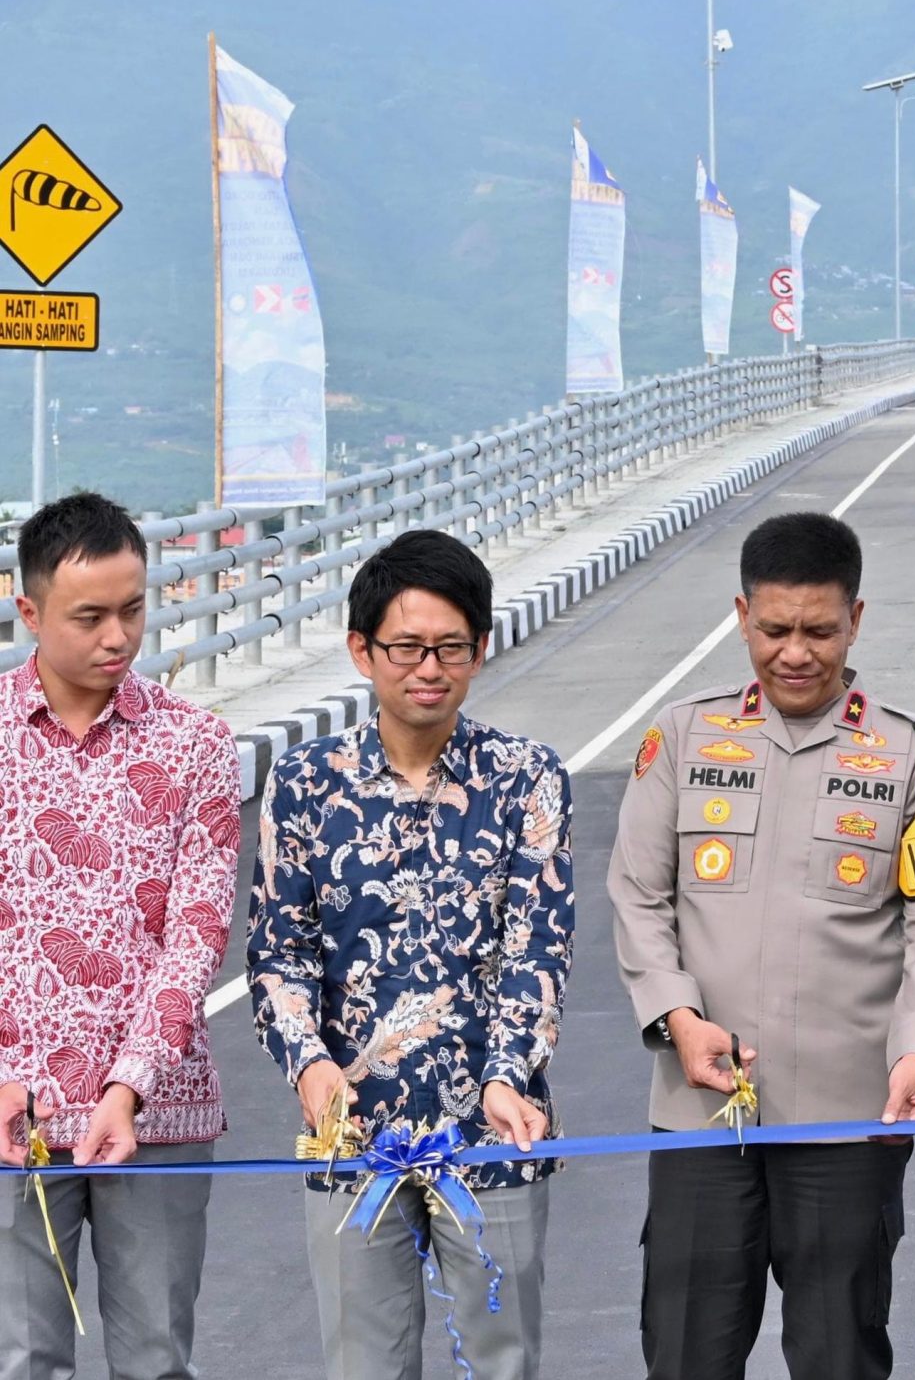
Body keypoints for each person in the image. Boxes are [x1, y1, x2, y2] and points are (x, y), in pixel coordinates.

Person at [607, 510, 915, 1380]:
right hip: (702, 1114)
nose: (796, 653)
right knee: (687, 1354)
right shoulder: (683, 737)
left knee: (838, 1356)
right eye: (774, 630)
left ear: (856, 619)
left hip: (849, 1118)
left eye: (819, 630)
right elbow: (638, 893)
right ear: (742, 616)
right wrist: (677, 1017)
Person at [248, 529, 572, 1380]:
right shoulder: (304, 783)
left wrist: (508, 1076)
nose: (430, 668)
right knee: (364, 1364)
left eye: (451, 647)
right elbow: (279, 953)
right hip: (353, 1134)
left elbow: (537, 948)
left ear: (480, 648)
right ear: (362, 650)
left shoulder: (526, 777)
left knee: (502, 1361)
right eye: (407, 647)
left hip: (493, 1131)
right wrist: (311, 1067)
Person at [0, 491, 240, 1378]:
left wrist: (129, 1084)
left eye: (133, 609)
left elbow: (199, 931)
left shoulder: (196, 743)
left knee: (156, 1360)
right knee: (22, 1359)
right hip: (11, 1117)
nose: (119, 637)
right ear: (29, 611)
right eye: (90, 616)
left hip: (157, 1112)